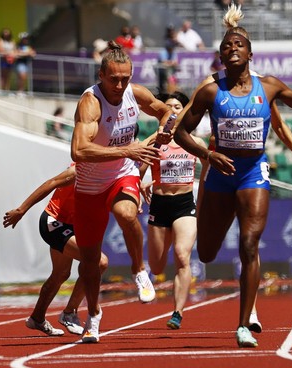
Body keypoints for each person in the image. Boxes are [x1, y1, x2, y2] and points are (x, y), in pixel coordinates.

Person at [172, 4, 292, 347]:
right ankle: (241, 305)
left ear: (250, 53)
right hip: (220, 175)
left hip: (253, 172)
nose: (232, 49)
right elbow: (181, 133)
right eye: (227, 46)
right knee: (207, 252)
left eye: (238, 45)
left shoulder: (268, 87)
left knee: (249, 244)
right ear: (221, 57)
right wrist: (207, 154)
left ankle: (243, 324)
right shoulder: (211, 90)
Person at [70, 40, 175, 343]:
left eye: (125, 79)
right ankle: (93, 314)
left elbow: (164, 109)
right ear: (101, 75)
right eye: (113, 79)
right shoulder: (91, 103)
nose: (119, 85)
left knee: (126, 212)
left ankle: (138, 268)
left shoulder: (135, 92)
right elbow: (79, 150)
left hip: (122, 174)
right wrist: (127, 149)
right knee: (90, 263)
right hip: (90, 185)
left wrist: (166, 127)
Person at [3, 164, 109, 337]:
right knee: (98, 262)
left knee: (60, 274)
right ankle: (70, 312)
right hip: (55, 223)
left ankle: (37, 318)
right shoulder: (81, 169)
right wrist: (21, 210)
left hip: (75, 225)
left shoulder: (110, 171)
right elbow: (51, 182)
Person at [138, 92, 207, 330]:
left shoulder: (195, 142)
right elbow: (138, 168)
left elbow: (209, 163)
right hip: (159, 204)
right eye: (168, 107)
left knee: (182, 256)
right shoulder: (154, 141)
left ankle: (177, 312)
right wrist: (139, 188)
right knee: (156, 267)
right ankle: (151, 279)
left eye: (178, 106)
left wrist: (205, 194)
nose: (174, 111)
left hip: (184, 204)